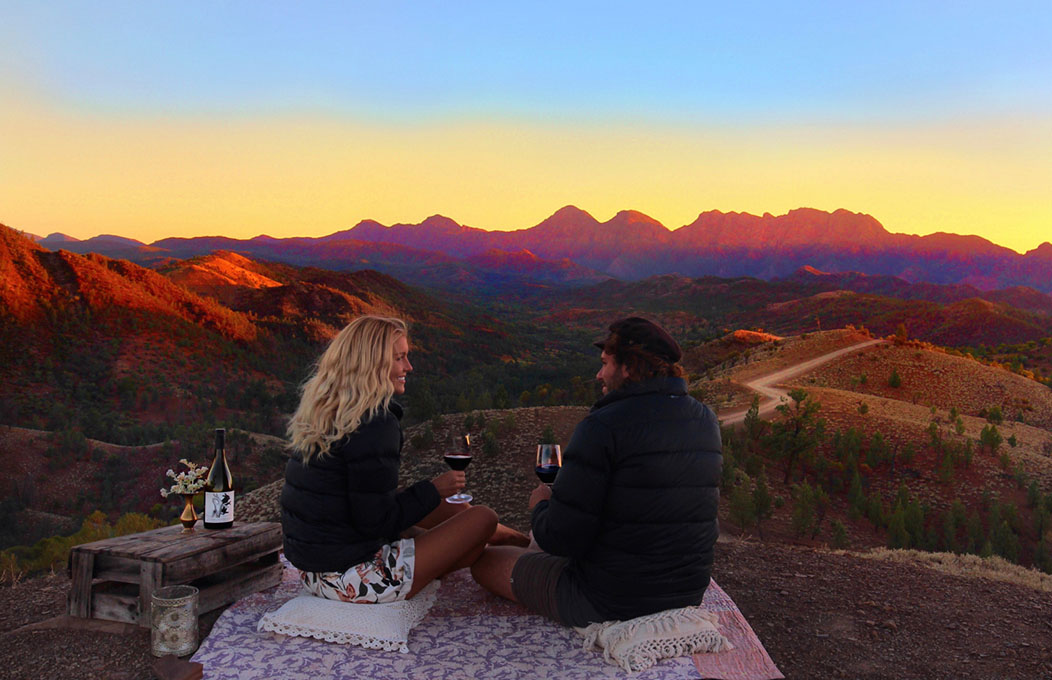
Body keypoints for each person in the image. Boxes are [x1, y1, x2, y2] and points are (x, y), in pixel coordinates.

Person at [472, 317, 722, 626]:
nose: (598, 374)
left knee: (485, 563)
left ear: (629, 367)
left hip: (610, 601)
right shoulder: (706, 420)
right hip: (686, 593)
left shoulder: (603, 426)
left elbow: (562, 539)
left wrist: (540, 506)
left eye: (605, 363)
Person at [282, 315, 501, 603]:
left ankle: (510, 538)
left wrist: (431, 499)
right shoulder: (375, 423)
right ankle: (511, 544)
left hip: (314, 571)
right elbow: (377, 522)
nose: (408, 367)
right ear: (371, 364)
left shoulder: (330, 411)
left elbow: (361, 504)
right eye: (399, 358)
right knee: (483, 519)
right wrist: (434, 489)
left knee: (455, 510)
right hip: (352, 578)